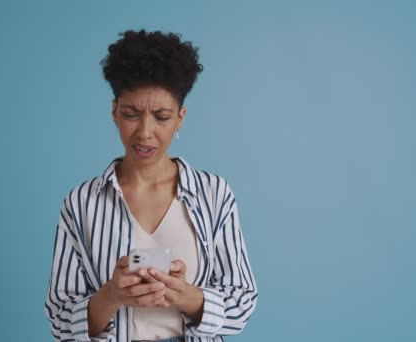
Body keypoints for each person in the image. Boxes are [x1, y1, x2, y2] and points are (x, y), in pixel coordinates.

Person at [44, 29, 257, 342]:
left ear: (180, 119)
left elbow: (241, 303)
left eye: (161, 116)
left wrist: (185, 296)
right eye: (131, 114)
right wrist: (112, 295)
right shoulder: (81, 203)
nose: (144, 132)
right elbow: (61, 322)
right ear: (114, 112)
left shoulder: (214, 195)